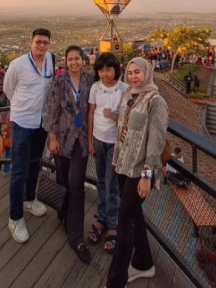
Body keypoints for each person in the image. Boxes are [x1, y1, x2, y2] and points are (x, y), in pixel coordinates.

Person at [106, 58, 168, 288]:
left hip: (139, 173)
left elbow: (156, 142)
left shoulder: (156, 101)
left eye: (137, 72)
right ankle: (143, 262)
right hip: (123, 165)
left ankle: (115, 281)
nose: (133, 76)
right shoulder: (130, 94)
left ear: (147, 73)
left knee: (124, 224)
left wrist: (146, 177)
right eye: (130, 72)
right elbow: (127, 123)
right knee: (134, 215)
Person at [3, 28, 55, 244]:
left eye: (45, 42)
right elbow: (8, 89)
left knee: (35, 164)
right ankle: (15, 217)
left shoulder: (51, 60)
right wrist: (22, 107)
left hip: (41, 122)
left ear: (49, 44)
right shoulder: (17, 64)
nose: (41, 46)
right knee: (18, 170)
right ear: (30, 42)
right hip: (22, 122)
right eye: (38, 42)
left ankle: (29, 198)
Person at [45, 45, 94, 263]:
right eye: (70, 59)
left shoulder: (89, 80)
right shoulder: (59, 81)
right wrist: (52, 137)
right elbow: (52, 110)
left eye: (77, 58)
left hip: (81, 140)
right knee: (63, 179)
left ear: (83, 60)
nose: (74, 62)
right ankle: (63, 212)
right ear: (65, 61)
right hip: (63, 137)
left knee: (76, 183)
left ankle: (77, 237)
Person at [87, 52, 127, 253]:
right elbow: (91, 113)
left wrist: (112, 116)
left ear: (116, 69)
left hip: (115, 143)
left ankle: (113, 223)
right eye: (101, 70)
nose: (105, 74)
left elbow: (129, 118)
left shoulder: (124, 89)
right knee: (101, 180)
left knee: (111, 184)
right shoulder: (95, 88)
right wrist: (90, 142)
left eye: (108, 69)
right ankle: (102, 217)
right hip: (98, 140)